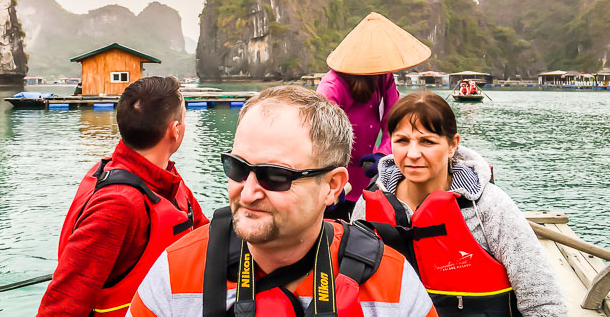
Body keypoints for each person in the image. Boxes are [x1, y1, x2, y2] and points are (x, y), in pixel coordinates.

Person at [130, 86, 438, 316]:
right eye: (237, 168)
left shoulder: (391, 283)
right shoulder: (175, 271)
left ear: (332, 186)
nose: (247, 193)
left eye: (275, 177)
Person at [351, 92, 567, 316]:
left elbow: (544, 302)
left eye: (427, 141)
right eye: (402, 141)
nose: (413, 154)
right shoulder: (368, 205)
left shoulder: (489, 206)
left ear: (452, 145)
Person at [38, 76, 209, 317]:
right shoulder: (118, 205)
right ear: (175, 131)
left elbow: (207, 237)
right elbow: (62, 305)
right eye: (183, 118)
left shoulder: (165, 181)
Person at [318, 12, 431, 219]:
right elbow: (320, 140)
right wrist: (327, 181)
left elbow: (394, 120)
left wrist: (383, 153)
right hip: (336, 181)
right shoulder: (331, 87)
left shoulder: (384, 77)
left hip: (369, 179)